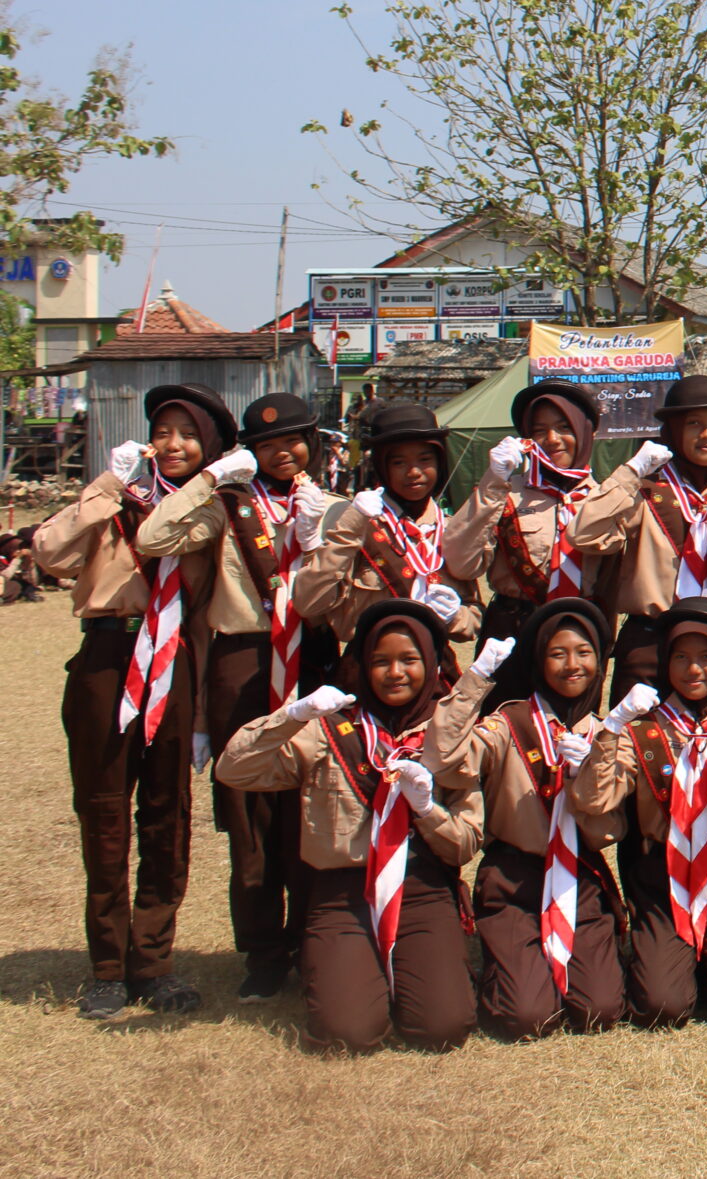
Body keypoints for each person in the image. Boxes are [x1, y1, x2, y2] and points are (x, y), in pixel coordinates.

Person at [33, 383, 237, 1017]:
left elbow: (161, 543)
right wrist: (103, 490)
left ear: (209, 446)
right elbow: (49, 553)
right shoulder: (111, 495)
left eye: (188, 434)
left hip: (172, 664)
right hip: (106, 658)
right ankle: (105, 965)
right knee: (103, 813)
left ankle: (153, 962)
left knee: (165, 813)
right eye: (164, 431)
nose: (173, 445)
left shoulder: (208, 509)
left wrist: (201, 714)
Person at [134, 388, 336, 1001]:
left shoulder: (331, 504)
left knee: (314, 802)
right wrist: (211, 478)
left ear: (314, 444)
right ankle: (263, 949)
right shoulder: (227, 505)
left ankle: (313, 938)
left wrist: (320, 532)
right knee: (248, 812)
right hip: (242, 662)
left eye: (294, 441)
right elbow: (154, 538)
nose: (283, 453)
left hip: (313, 660)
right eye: (268, 445)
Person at [213, 598, 479, 1051]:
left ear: (433, 665)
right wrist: (292, 716)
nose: (395, 673)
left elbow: (464, 846)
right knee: (346, 1034)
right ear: (361, 666)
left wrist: (427, 809)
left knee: (442, 1028)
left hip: (423, 891)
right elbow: (234, 770)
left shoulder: (447, 738)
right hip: (343, 897)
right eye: (381, 661)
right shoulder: (328, 730)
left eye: (410, 660)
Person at [426, 596, 637, 1039]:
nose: (572, 665)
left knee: (600, 1010)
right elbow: (444, 760)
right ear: (539, 661)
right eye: (557, 654)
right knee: (526, 1018)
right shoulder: (508, 723)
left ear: (600, 662)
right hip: (515, 878)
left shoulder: (607, 733)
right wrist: (476, 679)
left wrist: (593, 765)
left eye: (584, 653)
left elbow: (607, 825)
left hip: (580, 877)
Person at [571, 598, 707, 1027]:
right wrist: (610, 731)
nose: (693, 670)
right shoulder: (640, 730)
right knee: (660, 1007)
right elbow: (594, 801)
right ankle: (674, 952)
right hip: (663, 879)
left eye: (706, 658)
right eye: (681, 657)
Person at [567, 374, 707, 687]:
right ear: (673, 431)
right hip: (649, 645)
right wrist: (630, 473)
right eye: (693, 424)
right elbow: (584, 534)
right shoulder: (644, 494)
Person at [297, 402, 477, 648]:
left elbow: (474, 613)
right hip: (367, 665)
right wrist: (350, 527)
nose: (413, 472)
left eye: (425, 459)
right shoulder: (358, 521)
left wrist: (456, 616)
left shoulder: (448, 528)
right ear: (382, 466)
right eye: (398, 463)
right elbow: (309, 603)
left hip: (432, 667)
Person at [447, 379, 603, 646]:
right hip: (511, 630)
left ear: (587, 432)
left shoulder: (605, 499)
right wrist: (492, 482)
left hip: (579, 633)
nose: (552, 440)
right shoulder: (504, 492)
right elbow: (461, 564)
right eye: (539, 430)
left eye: (564, 427)